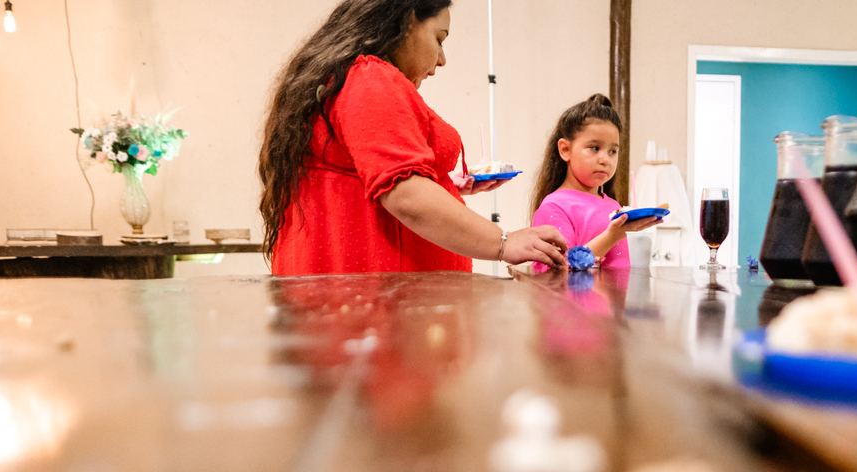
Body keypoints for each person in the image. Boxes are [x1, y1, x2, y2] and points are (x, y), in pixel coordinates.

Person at [259, 0, 567, 275]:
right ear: (407, 22)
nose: (442, 59)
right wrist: (505, 243)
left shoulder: (346, 77)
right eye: (439, 38)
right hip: (378, 306)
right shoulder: (370, 78)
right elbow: (405, 195)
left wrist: (440, 186)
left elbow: (368, 180)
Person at [529, 95, 662, 267]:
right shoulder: (554, 207)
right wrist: (613, 235)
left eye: (612, 151)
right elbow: (559, 269)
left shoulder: (614, 206)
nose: (605, 159)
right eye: (594, 148)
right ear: (565, 150)